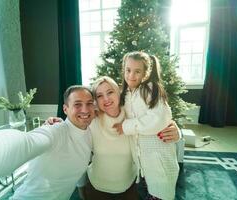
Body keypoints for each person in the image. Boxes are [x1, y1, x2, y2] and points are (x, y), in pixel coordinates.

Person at [47, 76, 181, 200]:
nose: (106, 99)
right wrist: (53, 123)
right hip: (97, 187)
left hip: (129, 186)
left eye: (110, 92)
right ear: (95, 101)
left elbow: (157, 119)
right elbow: (72, 125)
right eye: (99, 95)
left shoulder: (132, 116)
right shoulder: (91, 119)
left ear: (118, 92)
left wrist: (177, 132)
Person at [0, 86, 95, 200]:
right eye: (77, 104)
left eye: (89, 103)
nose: (85, 109)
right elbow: (26, 143)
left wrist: (82, 193)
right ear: (65, 109)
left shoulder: (89, 132)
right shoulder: (55, 131)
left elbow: (80, 166)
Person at [113, 51, 179, 200]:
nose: (131, 75)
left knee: (161, 190)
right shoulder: (126, 93)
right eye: (128, 70)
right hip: (143, 159)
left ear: (146, 73)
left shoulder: (150, 89)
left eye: (137, 71)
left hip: (159, 155)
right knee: (147, 188)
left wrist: (126, 127)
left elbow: (158, 118)